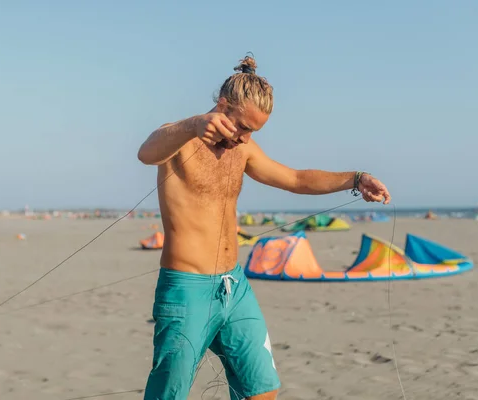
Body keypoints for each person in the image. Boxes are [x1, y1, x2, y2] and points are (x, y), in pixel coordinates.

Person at [137, 54, 391, 400]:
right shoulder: (180, 139)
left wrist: (356, 178)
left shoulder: (244, 148)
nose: (244, 138)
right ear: (223, 106)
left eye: (252, 132)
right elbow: (147, 151)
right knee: (169, 394)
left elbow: (296, 179)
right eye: (242, 127)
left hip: (234, 286)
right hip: (186, 288)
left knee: (261, 391)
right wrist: (192, 125)